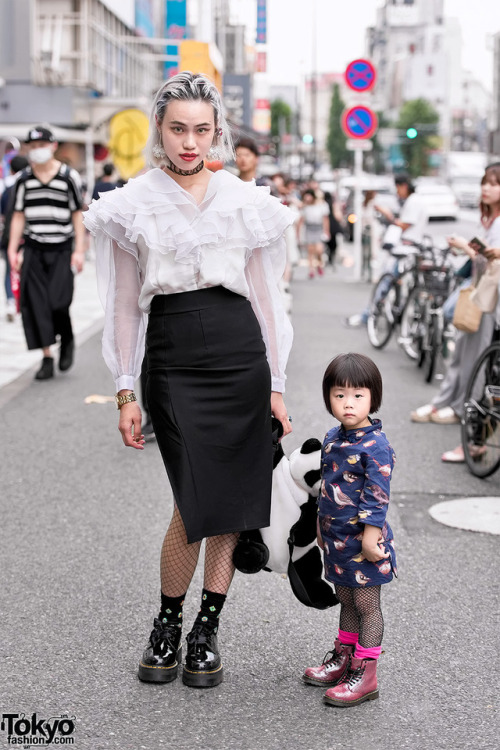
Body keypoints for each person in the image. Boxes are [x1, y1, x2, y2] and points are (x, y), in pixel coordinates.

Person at [83, 71, 293, 689]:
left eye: (202, 129)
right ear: (160, 130)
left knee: (228, 503)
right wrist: (125, 388)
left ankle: (205, 628)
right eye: (178, 129)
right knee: (193, 496)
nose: (190, 142)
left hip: (239, 354)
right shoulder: (129, 204)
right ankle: (167, 621)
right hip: (171, 357)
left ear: (218, 130)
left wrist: (276, 383)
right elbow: (123, 305)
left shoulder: (247, 203)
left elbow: (267, 302)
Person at [302, 352, 396, 707]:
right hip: (337, 539)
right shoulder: (333, 437)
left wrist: (372, 537)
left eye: (358, 395)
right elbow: (328, 485)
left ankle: (365, 672)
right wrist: (321, 524)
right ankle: (344, 657)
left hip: (363, 542)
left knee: (367, 603)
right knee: (346, 598)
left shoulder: (376, 446)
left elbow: (377, 495)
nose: (348, 403)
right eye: (339, 395)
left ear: (373, 397)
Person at [410, 162, 500, 462]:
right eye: (485, 183)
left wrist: (467, 247)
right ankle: (458, 418)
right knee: (472, 362)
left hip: (491, 303)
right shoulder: (489, 220)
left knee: (482, 370)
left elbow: (492, 258)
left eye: (494, 183)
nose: (487, 188)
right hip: (482, 297)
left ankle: (469, 431)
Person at [7, 126, 85, 380]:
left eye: (43, 144)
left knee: (59, 302)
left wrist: (79, 250)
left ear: (53, 146)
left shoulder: (68, 176)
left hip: (62, 248)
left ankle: (67, 337)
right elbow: (18, 215)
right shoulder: (24, 179)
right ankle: (47, 357)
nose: (38, 150)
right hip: (34, 247)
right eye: (33, 145)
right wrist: (12, 248)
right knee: (36, 305)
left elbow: (77, 214)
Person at [344, 174, 427, 327]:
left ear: (403, 186)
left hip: (405, 249)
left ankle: (368, 315)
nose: (397, 192)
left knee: (387, 281)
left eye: (397, 188)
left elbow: (404, 225)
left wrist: (388, 215)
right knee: (398, 284)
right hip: (410, 248)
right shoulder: (415, 200)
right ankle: (379, 315)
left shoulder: (414, 201)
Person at [1, 155, 29, 321]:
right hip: (28, 235)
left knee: (10, 270)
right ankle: (24, 303)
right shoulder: (30, 183)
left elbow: (3, 213)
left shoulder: (7, 187)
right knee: (28, 268)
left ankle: (11, 302)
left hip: (8, 234)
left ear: (11, 169)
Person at [298, 188, 330, 279]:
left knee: (319, 250)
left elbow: (325, 219)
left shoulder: (321, 205)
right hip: (309, 228)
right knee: (310, 250)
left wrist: (326, 231)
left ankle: (319, 264)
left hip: (319, 228)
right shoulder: (305, 207)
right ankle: (311, 269)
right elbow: (301, 220)